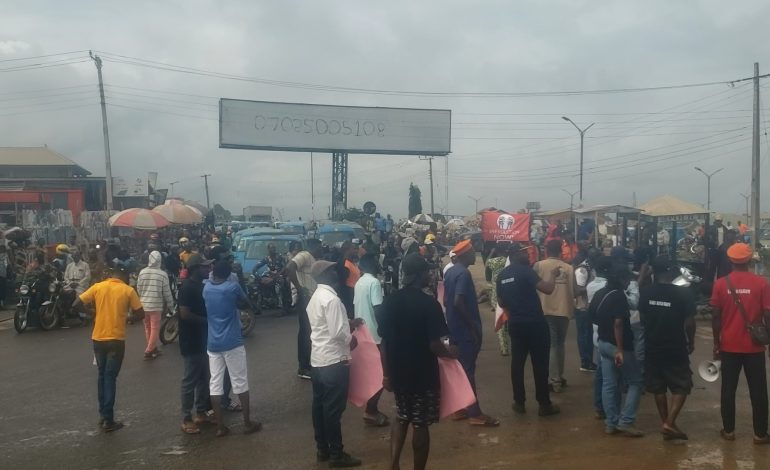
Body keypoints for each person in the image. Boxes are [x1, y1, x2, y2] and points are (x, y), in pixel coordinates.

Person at [379, 253, 455, 470]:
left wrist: (386, 375)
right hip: (423, 375)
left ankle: (394, 464)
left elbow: (383, 343)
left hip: (397, 372)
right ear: (419, 274)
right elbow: (434, 345)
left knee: (402, 416)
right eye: (427, 272)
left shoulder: (390, 301)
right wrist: (451, 353)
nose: (430, 276)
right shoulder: (429, 304)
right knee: (420, 423)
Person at [711, 243, 770, 443]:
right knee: (759, 391)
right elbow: (768, 316)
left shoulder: (720, 284)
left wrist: (716, 343)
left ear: (730, 261)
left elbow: (715, 316)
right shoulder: (761, 284)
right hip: (754, 347)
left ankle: (728, 431)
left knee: (728, 389)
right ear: (749, 260)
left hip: (728, 346)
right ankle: (760, 434)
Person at [73, 266, 144, 432]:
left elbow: (76, 304)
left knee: (101, 375)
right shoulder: (127, 290)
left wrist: (92, 313)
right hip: (116, 340)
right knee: (110, 378)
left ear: (111, 275)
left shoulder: (98, 287)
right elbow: (141, 314)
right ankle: (108, 420)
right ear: (124, 276)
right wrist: (128, 319)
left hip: (98, 339)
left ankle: (102, 415)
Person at [307, 260, 362, 467]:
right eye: (333, 270)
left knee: (319, 407)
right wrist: (351, 338)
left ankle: (322, 449)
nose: (337, 274)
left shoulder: (316, 297)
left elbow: (325, 325)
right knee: (333, 411)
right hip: (334, 361)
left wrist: (348, 323)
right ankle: (337, 455)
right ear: (326, 274)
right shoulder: (332, 299)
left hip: (318, 361)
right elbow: (338, 333)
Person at [497, 242, 561, 416]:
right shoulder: (526, 271)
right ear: (516, 255)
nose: (528, 255)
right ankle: (544, 404)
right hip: (535, 324)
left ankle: (519, 402)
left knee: (517, 364)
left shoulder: (502, 275)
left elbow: (501, 302)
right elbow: (547, 289)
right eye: (525, 252)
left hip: (516, 324)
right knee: (540, 365)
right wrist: (553, 275)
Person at [639, 256, 696, 441]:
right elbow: (689, 323)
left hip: (652, 344)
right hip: (675, 345)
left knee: (658, 387)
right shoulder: (683, 294)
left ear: (653, 272)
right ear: (671, 272)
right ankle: (670, 422)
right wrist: (691, 341)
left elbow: (643, 317)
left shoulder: (646, 292)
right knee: (682, 384)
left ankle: (667, 423)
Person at [444, 239, 499, 426]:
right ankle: (475, 414)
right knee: (468, 371)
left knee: (459, 370)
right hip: (465, 331)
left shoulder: (450, 272)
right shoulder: (464, 274)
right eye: (472, 252)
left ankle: (459, 409)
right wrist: (472, 326)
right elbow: (458, 302)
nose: (474, 254)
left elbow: (447, 301)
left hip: (454, 329)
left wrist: (477, 299)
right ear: (464, 255)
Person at [203, 260, 262, 437]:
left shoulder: (206, 288)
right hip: (232, 342)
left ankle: (220, 427)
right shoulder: (232, 287)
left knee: (215, 383)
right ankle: (247, 423)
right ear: (229, 274)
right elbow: (246, 304)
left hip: (213, 343)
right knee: (240, 381)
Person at [590, 264, 644, 437]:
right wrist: (620, 349)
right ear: (621, 279)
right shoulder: (619, 296)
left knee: (609, 384)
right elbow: (619, 323)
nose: (629, 282)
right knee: (636, 381)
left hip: (603, 343)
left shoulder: (599, 294)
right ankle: (626, 421)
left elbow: (591, 316)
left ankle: (611, 423)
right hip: (619, 346)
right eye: (627, 279)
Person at [177, 253, 214, 434]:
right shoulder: (187, 288)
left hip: (203, 340)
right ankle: (186, 417)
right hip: (191, 340)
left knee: (203, 378)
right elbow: (184, 314)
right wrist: (207, 321)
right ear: (195, 269)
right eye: (205, 267)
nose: (208, 269)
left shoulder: (201, 286)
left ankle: (200, 412)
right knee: (190, 380)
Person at [534, 239, 575, 393]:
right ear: (560, 251)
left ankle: (554, 380)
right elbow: (575, 290)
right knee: (560, 344)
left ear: (546, 251)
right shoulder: (569, 268)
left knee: (551, 345)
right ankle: (559, 376)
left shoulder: (539, 266)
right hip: (564, 310)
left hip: (545, 310)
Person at [352, 254, 389, 427]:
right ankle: (371, 410)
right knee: (381, 374)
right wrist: (386, 328)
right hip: (375, 334)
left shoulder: (359, 282)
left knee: (370, 372)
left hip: (362, 333)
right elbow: (378, 309)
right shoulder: (374, 283)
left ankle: (371, 408)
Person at [286, 238, 325, 379]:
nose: (322, 249)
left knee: (308, 332)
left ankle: (306, 365)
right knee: (306, 332)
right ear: (314, 246)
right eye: (320, 247)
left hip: (310, 299)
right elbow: (290, 267)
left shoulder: (312, 258)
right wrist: (300, 288)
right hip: (306, 299)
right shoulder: (304, 255)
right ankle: (303, 368)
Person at [136, 251, 174, 360]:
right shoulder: (162, 274)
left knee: (148, 328)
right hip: (156, 306)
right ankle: (149, 350)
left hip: (143, 305)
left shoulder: (142, 272)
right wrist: (171, 307)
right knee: (155, 328)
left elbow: (138, 288)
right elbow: (167, 292)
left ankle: (152, 348)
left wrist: (142, 298)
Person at [574, 248, 599, 372]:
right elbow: (578, 290)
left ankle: (588, 360)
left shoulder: (591, 267)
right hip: (582, 307)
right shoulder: (582, 270)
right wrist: (593, 287)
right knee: (584, 335)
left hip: (589, 307)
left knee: (588, 335)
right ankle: (585, 361)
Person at [486, 242, 511, 356]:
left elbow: (487, 267)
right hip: (509, 293)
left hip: (497, 295)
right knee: (510, 320)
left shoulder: (493, 262)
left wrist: (492, 252)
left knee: (501, 321)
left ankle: (504, 348)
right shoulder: (509, 261)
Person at [340, 240, 361, 319]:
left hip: (355, 293)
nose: (355, 251)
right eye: (353, 249)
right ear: (347, 250)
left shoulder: (351, 262)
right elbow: (343, 283)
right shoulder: (344, 264)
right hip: (350, 295)